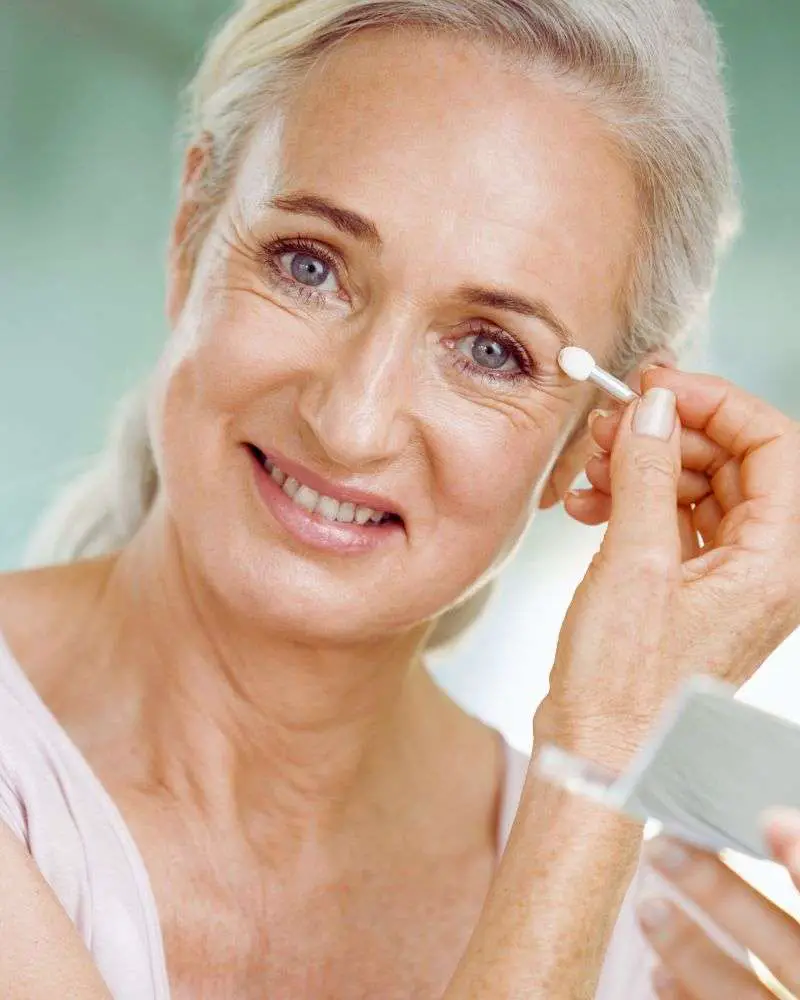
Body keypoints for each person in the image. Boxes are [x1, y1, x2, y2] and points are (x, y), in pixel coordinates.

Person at [0, 0, 798, 997]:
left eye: (490, 351)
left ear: (590, 440)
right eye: (308, 266)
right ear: (187, 232)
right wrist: (601, 767)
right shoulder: (583, 840)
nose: (351, 421)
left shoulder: (668, 933)